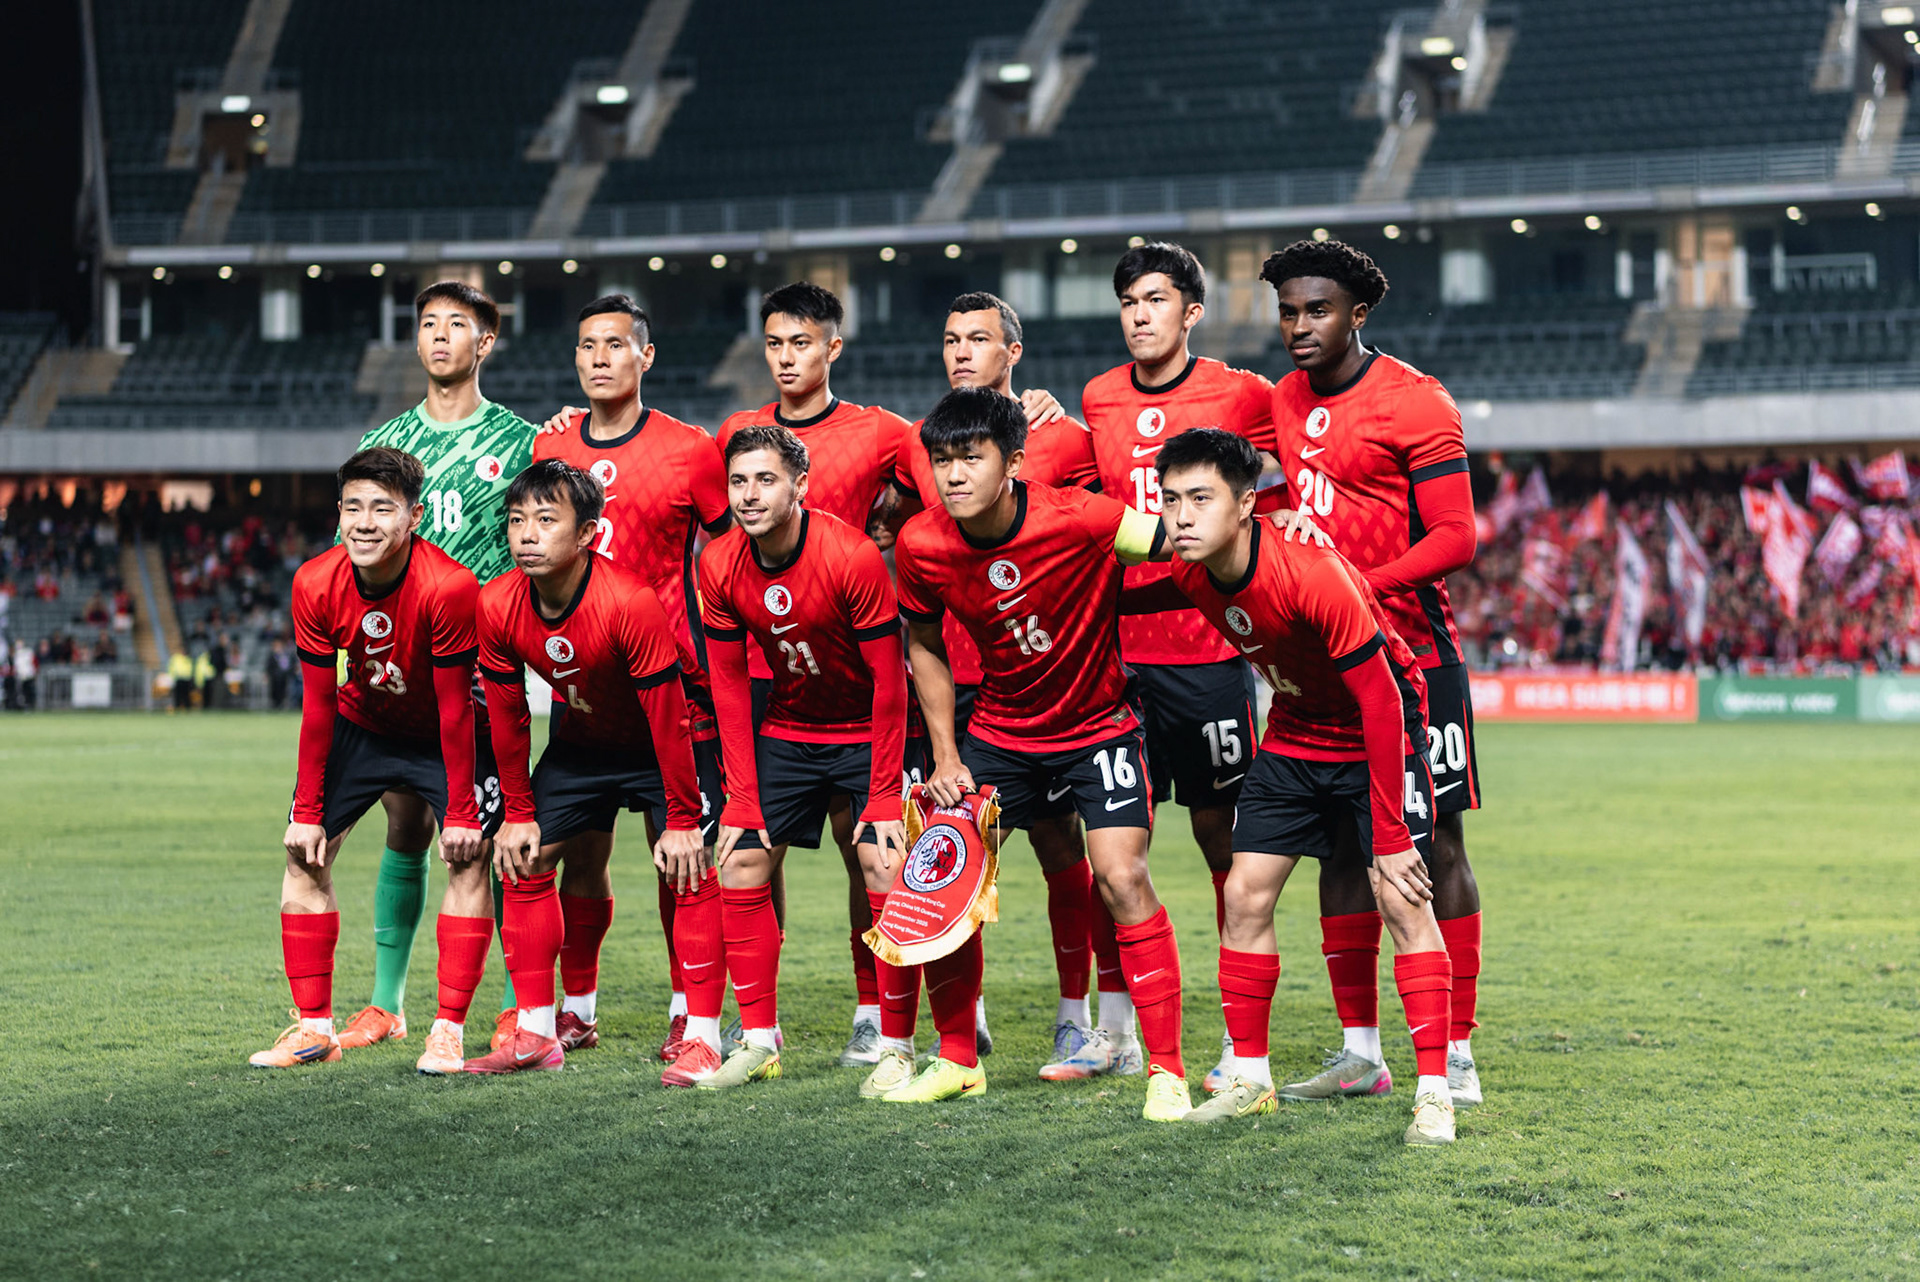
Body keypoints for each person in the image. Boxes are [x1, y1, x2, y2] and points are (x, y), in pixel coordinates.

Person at [1143, 429, 1455, 1144]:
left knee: (1400, 896)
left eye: (1200, 499)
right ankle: (1250, 1078)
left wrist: (1389, 835)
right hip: (1295, 731)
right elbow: (1122, 561)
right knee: (1244, 893)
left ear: (1247, 503)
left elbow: (1381, 698)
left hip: (1381, 725)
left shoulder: (1310, 572)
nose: (1182, 516)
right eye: (1170, 500)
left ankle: (1434, 1094)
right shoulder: (1192, 571)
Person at [893, 386, 1192, 1118]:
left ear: (1015, 462)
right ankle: (959, 1059)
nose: (954, 474)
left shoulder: (1083, 517)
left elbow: (1177, 542)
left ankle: (1167, 1072)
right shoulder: (922, 544)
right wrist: (944, 755)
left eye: (972, 457)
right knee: (944, 882)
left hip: (1100, 728)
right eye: (941, 460)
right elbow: (923, 643)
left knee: (1121, 879)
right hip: (1000, 732)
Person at [1259, 239, 1486, 1108]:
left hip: (1417, 658)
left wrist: (1358, 585)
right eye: (1288, 312)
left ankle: (1455, 1048)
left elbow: (1455, 537)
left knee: (1440, 844)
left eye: (1317, 311)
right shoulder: (1278, 400)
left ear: (1358, 313)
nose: (1299, 327)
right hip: (1322, 673)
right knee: (1340, 848)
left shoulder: (1415, 400)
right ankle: (1362, 1051)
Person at [1055, 242, 1277, 1091]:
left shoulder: (1241, 393)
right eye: (1127, 301)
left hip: (1211, 652)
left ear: (1191, 311)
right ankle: (1116, 1030)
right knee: (1115, 852)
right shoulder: (1098, 397)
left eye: (1155, 299)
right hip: (1120, 664)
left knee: (1226, 846)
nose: (1139, 314)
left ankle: (1235, 1037)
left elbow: (1272, 509)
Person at [880, 291, 1104, 1080]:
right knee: (944, 845)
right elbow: (908, 536)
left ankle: (1081, 1016)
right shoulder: (921, 442)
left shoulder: (1067, 437)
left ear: (1015, 351)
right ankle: (959, 1021)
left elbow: (1102, 535)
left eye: (979, 338)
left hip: (1047, 682)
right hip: (955, 683)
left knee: (1062, 846)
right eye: (950, 339)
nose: (962, 352)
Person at [714, 283, 914, 1066]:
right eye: (774, 343)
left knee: (872, 854)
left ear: (832, 346)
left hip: (867, 708)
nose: (786, 356)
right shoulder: (738, 445)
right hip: (787, 706)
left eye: (801, 342)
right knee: (744, 852)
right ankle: (756, 1030)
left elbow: (952, 497)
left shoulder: (882, 436)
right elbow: (730, 678)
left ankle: (885, 1014)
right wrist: (738, 796)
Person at [337, 280, 533, 1055]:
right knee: (406, 821)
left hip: (485, 666)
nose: (440, 335)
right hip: (404, 666)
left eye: (458, 324)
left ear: (485, 343)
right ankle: (387, 1004)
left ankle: (522, 1005)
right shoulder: (385, 438)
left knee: (489, 834)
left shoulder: (520, 441)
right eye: (427, 324)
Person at [252, 447, 496, 1070]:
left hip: (445, 733)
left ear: (413, 517)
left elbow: (451, 709)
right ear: (338, 513)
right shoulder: (314, 581)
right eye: (353, 507)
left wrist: (464, 811)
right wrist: (307, 810)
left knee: (469, 858)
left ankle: (448, 1029)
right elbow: (316, 706)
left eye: (382, 509)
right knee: (303, 853)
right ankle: (313, 1029)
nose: (364, 522)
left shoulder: (448, 587)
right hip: (363, 726)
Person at [533, 293, 731, 1060]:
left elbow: (725, 555)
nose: (599, 358)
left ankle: (690, 1010)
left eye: (616, 345)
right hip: (580, 693)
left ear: (646, 357)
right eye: (587, 346)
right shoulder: (552, 453)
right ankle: (575, 1008)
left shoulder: (690, 449)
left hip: (669, 690)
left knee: (678, 850)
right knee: (577, 854)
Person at [470, 460, 706, 1077]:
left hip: (657, 747)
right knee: (523, 856)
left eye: (547, 520)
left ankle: (692, 1018)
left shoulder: (628, 601)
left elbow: (669, 718)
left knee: (686, 864)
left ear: (586, 535)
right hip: (579, 746)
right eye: (518, 520)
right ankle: (542, 1031)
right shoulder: (496, 604)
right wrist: (517, 812)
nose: (527, 534)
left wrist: (682, 818)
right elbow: (508, 716)